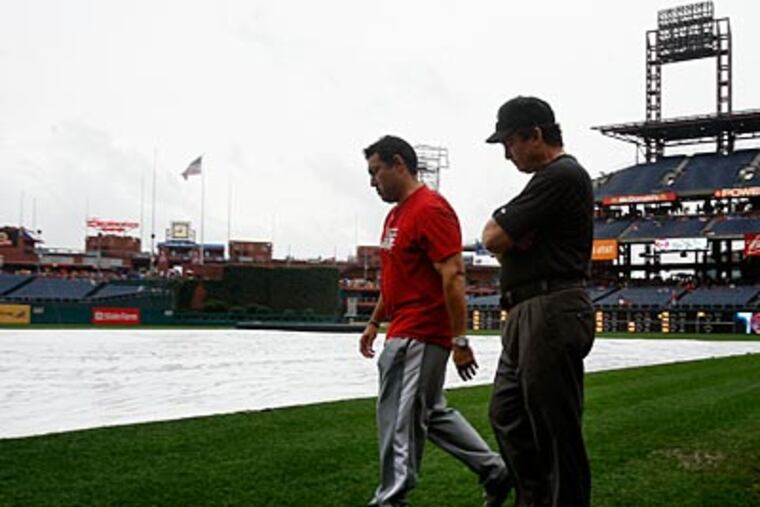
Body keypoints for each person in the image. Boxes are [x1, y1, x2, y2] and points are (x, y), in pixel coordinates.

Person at [360, 135, 511, 507]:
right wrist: (375, 322)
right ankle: (495, 470)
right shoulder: (396, 214)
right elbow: (396, 278)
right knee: (431, 413)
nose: (371, 182)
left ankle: (391, 500)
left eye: (375, 172)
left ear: (399, 163)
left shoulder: (430, 209)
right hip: (403, 328)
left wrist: (459, 340)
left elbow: (454, 274)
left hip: (421, 333)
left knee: (400, 419)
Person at [481, 96, 595, 507]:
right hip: (528, 310)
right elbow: (496, 237)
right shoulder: (545, 180)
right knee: (507, 413)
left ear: (535, 134)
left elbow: (493, 236)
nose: (507, 154)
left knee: (554, 430)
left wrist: (509, 239)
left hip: (551, 306)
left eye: (510, 143)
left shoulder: (561, 174)